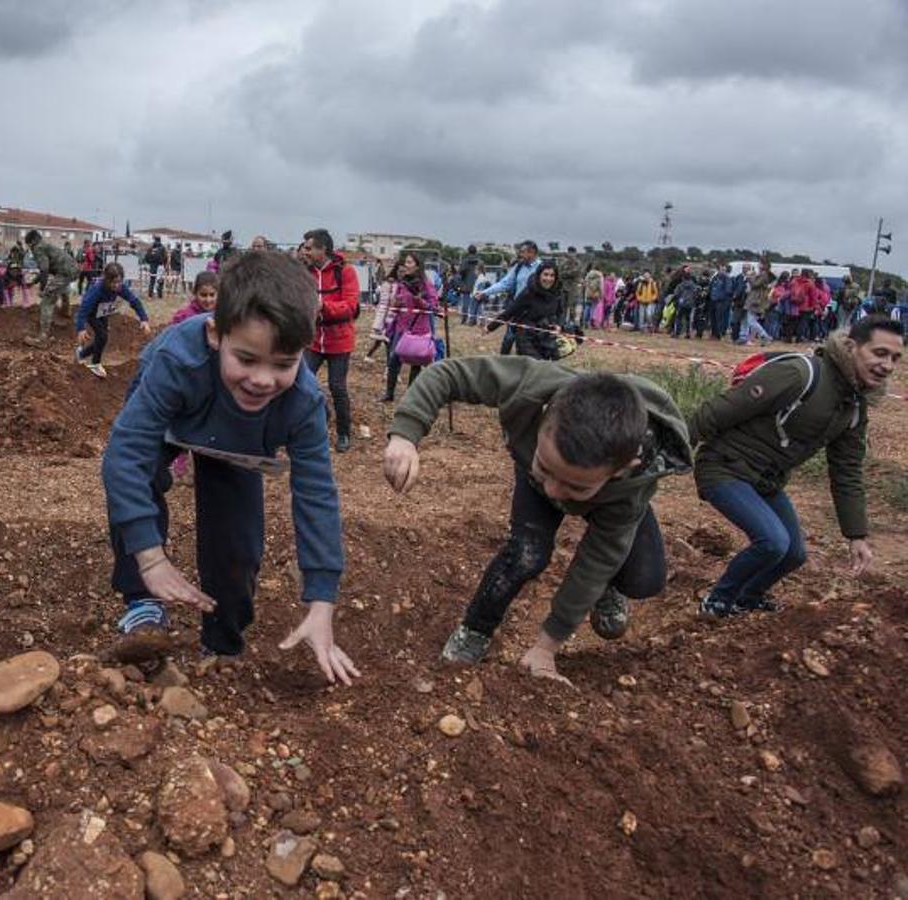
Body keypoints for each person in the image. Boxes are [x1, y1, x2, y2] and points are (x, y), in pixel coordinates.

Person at [100, 250, 358, 684]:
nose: (262, 379)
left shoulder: (304, 402)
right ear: (216, 334)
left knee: (238, 544)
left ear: (304, 352)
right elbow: (125, 456)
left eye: (283, 364)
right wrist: (150, 558)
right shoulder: (176, 361)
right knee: (137, 479)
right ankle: (143, 605)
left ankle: (222, 641)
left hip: (238, 443)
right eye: (247, 359)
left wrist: (321, 603)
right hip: (177, 421)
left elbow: (316, 494)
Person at [383, 359, 692, 682]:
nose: (554, 491)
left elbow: (596, 560)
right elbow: (447, 374)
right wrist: (406, 435)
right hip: (541, 470)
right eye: (547, 469)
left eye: (574, 486)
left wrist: (546, 648)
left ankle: (609, 587)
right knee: (526, 555)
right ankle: (475, 631)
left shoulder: (632, 484)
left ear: (623, 467)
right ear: (545, 415)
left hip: (612, 501)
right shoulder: (530, 386)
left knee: (645, 579)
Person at [694, 316, 903, 617]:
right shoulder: (800, 374)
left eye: (895, 358)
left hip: (766, 482)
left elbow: (846, 471)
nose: (887, 366)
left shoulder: (855, 407)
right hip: (723, 468)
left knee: (794, 553)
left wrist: (856, 535)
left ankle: (747, 597)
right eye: (879, 353)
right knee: (772, 542)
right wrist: (666, 451)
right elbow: (719, 412)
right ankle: (717, 601)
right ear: (851, 346)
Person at [300, 228, 360, 453]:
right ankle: (320, 416)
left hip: (339, 340)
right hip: (313, 340)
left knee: (337, 387)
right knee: (302, 382)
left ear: (322, 249)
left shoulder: (345, 272)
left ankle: (344, 433)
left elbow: (351, 307)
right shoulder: (305, 272)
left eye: (308, 248)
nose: (305, 252)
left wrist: (324, 307)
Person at [74, 262, 152, 377]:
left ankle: (81, 353)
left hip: (103, 312)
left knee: (102, 339)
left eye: (119, 282)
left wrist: (143, 319)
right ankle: (95, 363)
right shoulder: (97, 289)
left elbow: (134, 301)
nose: (116, 285)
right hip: (91, 313)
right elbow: (83, 309)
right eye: (113, 282)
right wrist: (81, 328)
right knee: (102, 336)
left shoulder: (121, 287)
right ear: (106, 280)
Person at [380, 252, 437, 402]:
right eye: (406, 262)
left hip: (418, 328)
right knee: (394, 360)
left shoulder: (426, 284)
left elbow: (433, 307)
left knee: (416, 363)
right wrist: (396, 303)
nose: (407, 265)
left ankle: (410, 396)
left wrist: (420, 302)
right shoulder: (402, 283)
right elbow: (395, 305)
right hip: (401, 327)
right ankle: (389, 394)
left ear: (418, 265)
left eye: (410, 262)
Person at [485, 262, 564, 359]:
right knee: (535, 366)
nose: (548, 279)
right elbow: (509, 312)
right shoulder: (528, 293)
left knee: (546, 367)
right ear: (539, 275)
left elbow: (560, 312)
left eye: (552, 275)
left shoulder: (557, 294)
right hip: (526, 337)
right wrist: (490, 327)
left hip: (545, 336)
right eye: (545, 274)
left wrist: (559, 325)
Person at [474, 240, 542, 352]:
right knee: (508, 339)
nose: (520, 255)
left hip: (533, 312)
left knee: (527, 343)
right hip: (517, 308)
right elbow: (505, 283)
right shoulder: (519, 267)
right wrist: (485, 292)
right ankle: (503, 363)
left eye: (523, 252)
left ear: (532, 253)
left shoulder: (542, 268)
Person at [23, 229, 79, 347]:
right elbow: (45, 269)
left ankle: (43, 337)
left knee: (47, 300)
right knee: (60, 287)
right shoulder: (45, 245)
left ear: (32, 241)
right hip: (72, 269)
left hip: (64, 272)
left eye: (28, 244)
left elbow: (44, 270)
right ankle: (66, 311)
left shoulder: (38, 248)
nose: (29, 248)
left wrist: (42, 289)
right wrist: (34, 282)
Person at [739, 261, 773, 345]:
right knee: (747, 320)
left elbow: (755, 284)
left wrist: (750, 277)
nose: (758, 265)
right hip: (754, 299)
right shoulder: (761, 274)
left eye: (760, 264)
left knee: (751, 321)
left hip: (756, 300)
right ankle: (744, 337)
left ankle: (765, 336)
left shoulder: (764, 275)